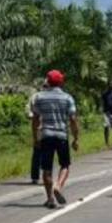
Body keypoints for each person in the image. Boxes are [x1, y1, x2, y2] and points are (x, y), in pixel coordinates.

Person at [31, 69, 80, 209]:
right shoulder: (68, 98)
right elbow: (73, 119)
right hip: (62, 136)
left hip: (46, 135)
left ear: (47, 81)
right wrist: (75, 138)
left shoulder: (39, 98)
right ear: (61, 81)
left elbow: (35, 119)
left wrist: (35, 137)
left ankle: (50, 199)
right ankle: (58, 185)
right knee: (65, 165)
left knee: (46, 168)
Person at [26, 81, 44, 184]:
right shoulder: (35, 97)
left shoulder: (37, 97)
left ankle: (43, 174)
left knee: (43, 151)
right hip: (38, 125)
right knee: (37, 150)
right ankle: (35, 176)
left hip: (43, 125)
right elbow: (29, 112)